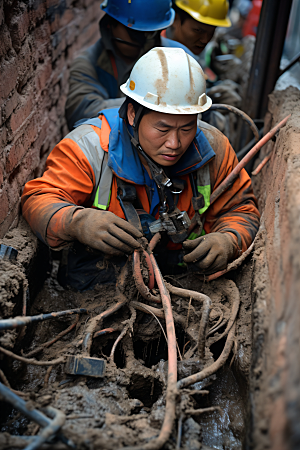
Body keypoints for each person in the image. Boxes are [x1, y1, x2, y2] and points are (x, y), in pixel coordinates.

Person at [22, 47, 260, 291]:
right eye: (163, 129)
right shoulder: (89, 148)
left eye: (187, 128)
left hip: (186, 282)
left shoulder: (213, 148)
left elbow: (241, 209)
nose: (175, 143)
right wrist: (77, 221)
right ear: (133, 114)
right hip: (97, 287)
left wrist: (229, 240)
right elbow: (38, 199)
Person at [65, 0, 179, 130]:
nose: (144, 41)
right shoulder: (88, 64)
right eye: (135, 33)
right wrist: (156, 104)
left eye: (151, 33)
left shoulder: (179, 58)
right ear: (112, 24)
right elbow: (82, 115)